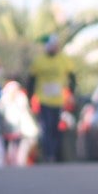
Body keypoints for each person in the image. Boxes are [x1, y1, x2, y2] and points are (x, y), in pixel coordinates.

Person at [26, 35, 76, 163]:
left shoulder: (63, 60)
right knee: (46, 127)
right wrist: (30, 97)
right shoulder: (39, 61)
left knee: (55, 128)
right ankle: (49, 154)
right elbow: (31, 80)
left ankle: (54, 152)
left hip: (59, 100)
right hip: (44, 100)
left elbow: (72, 78)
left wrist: (71, 93)